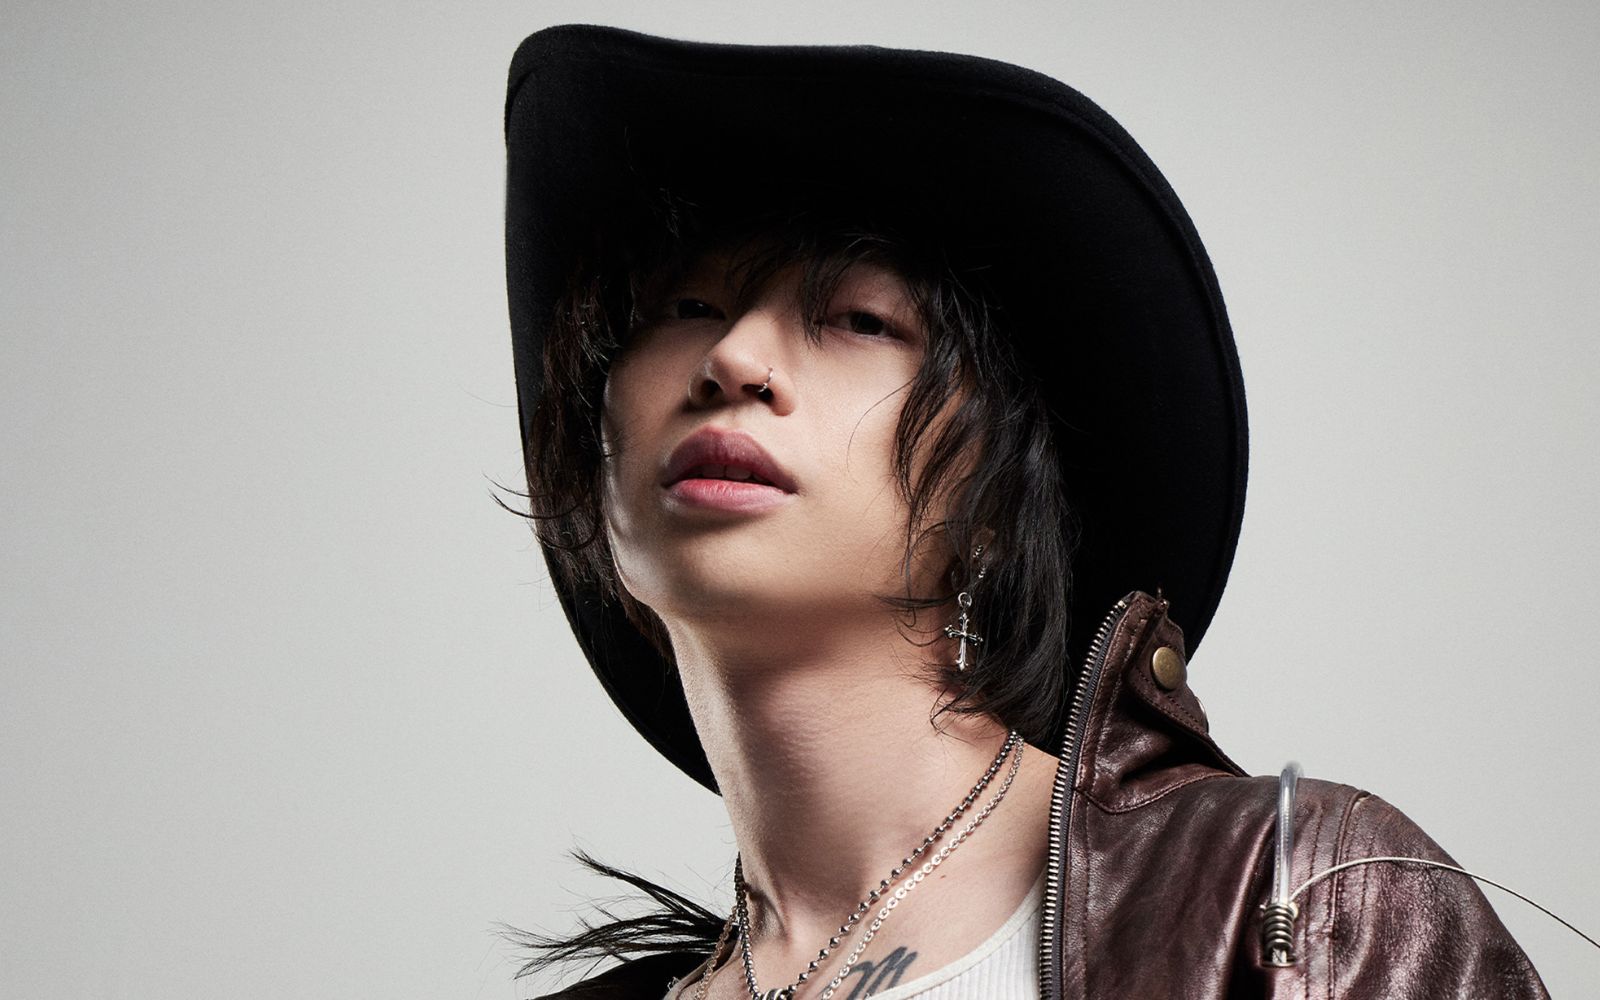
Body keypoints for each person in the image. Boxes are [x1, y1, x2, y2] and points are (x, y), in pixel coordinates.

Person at [501, 24, 1551, 1000]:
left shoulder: (1296, 898)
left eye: (858, 320)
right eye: (687, 309)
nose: (733, 357)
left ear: (994, 501)